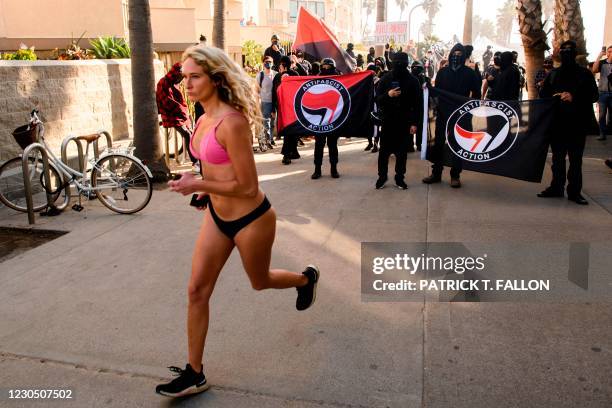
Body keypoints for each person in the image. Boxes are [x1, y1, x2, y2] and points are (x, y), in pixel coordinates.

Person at [157, 45, 320, 398]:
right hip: (218, 217)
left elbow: (247, 187)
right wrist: (202, 188)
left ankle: (305, 279)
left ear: (215, 78)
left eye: (194, 77)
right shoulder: (201, 119)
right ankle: (194, 372)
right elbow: (214, 167)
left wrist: (197, 184)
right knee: (196, 290)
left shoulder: (232, 123)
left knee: (259, 282)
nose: (187, 84)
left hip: (252, 219)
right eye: (185, 77)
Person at [538, 40, 599, 205]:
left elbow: (594, 95)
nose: (566, 54)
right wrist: (554, 96)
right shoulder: (554, 74)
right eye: (563, 51)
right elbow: (543, 95)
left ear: (575, 54)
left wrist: (574, 97)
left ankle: (574, 191)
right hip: (557, 123)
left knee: (575, 159)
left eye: (569, 51)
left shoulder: (584, 74)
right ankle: (556, 187)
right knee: (558, 158)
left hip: (577, 123)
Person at [423, 43, 482, 188]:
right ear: (450, 56)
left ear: (464, 56)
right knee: (438, 144)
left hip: (461, 115)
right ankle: (436, 173)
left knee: (458, 145)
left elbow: (476, 94)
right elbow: (437, 91)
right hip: (443, 114)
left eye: (459, 54)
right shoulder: (443, 72)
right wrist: (429, 91)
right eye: (454, 54)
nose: (456, 57)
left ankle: (455, 175)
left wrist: (468, 108)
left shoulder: (470, 74)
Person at [375, 52, 421, 190]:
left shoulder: (413, 81)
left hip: (404, 122)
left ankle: (399, 178)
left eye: (402, 62)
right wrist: (388, 95)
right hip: (388, 121)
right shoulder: (385, 79)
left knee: (402, 153)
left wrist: (414, 123)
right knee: (384, 152)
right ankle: (382, 177)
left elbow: (418, 104)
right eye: (397, 62)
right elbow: (378, 100)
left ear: (407, 63)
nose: (399, 65)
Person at [156, 62, 198, 165]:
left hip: (180, 114)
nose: (181, 79)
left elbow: (179, 101)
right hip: (170, 115)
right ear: (175, 74)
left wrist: (184, 111)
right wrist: (182, 111)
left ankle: (196, 159)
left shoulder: (174, 83)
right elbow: (167, 102)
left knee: (191, 134)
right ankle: (195, 161)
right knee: (188, 134)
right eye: (180, 76)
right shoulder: (163, 83)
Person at [312, 58, 341, 179]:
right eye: (323, 67)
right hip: (320, 118)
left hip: (334, 117)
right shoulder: (317, 78)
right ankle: (317, 169)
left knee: (332, 144)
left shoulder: (339, 78)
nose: (325, 69)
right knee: (319, 145)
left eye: (328, 67)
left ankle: (334, 168)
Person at [272, 55, 303, 164]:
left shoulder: (289, 75)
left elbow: (273, 93)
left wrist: (273, 109)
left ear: (282, 64)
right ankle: (290, 153)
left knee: (289, 131)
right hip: (287, 108)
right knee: (290, 130)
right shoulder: (282, 76)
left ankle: (289, 153)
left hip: (287, 108)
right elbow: (274, 92)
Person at [256, 55, 277, 148]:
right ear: (263, 63)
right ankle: (267, 140)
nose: (268, 63)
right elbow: (256, 90)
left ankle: (271, 139)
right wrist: (257, 102)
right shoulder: (260, 75)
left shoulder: (276, 74)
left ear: (272, 63)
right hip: (264, 101)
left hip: (275, 102)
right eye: (266, 62)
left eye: (270, 62)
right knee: (266, 122)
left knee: (273, 122)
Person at [592, 45, 612, 141]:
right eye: (609, 51)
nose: (610, 53)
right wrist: (599, 56)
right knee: (602, 115)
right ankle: (602, 134)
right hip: (603, 93)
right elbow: (594, 70)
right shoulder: (602, 63)